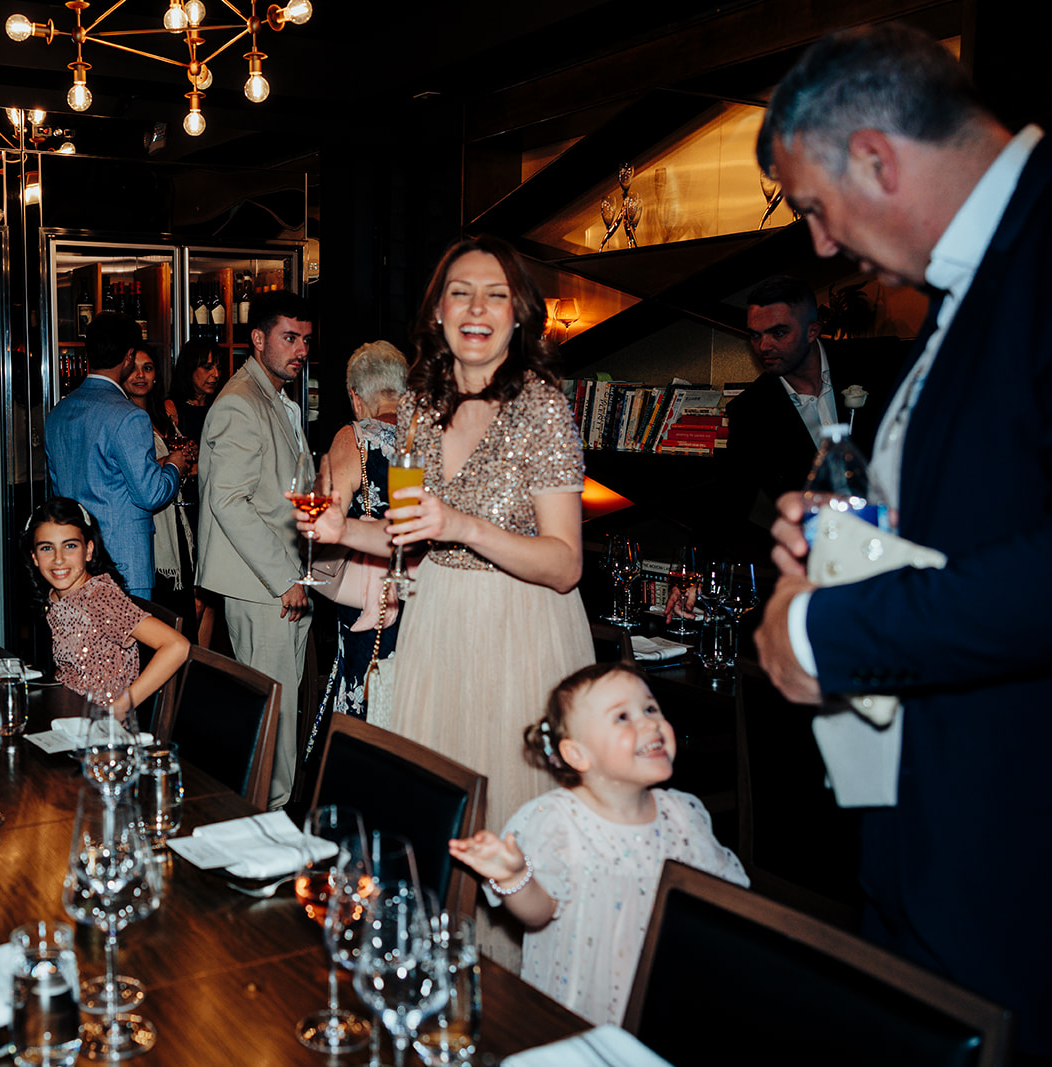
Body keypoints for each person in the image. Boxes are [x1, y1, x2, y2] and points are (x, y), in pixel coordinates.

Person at [751, 24, 1052, 1057]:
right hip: (933, 829)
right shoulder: (955, 291)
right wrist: (836, 529)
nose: (822, 245)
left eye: (815, 208)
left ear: (876, 156)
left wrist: (834, 632)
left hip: (1020, 846)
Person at [296, 234, 594, 972]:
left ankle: (519, 995)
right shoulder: (423, 412)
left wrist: (461, 524)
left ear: (520, 315)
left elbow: (564, 563)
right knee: (437, 815)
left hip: (521, 630)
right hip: (436, 626)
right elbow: (409, 531)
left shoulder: (542, 409)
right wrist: (341, 530)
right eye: (460, 291)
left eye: (495, 294)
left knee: (509, 817)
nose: (477, 308)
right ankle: (440, 979)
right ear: (436, 312)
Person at [449, 662, 747, 1026]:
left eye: (651, 708)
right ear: (577, 754)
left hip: (663, 987)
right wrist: (514, 877)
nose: (650, 723)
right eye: (623, 717)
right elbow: (540, 912)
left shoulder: (682, 815)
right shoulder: (558, 822)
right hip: (581, 1002)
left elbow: (722, 897)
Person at [197, 291, 316, 810]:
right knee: (272, 710)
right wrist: (283, 578)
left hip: (286, 577)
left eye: (306, 340)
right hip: (262, 583)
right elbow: (228, 502)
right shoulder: (239, 402)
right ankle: (269, 818)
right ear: (259, 339)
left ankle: (273, 815)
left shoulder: (274, 399)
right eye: (290, 338)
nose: (301, 350)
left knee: (282, 707)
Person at [724, 274, 904, 523]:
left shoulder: (879, 365)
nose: (763, 346)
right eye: (755, 335)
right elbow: (741, 505)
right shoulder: (749, 411)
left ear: (812, 331)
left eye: (778, 333)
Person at [304, 340, 407, 760]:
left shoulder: (352, 437)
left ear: (355, 396)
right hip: (419, 592)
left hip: (369, 598)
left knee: (365, 687)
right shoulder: (429, 441)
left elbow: (329, 517)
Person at [46, 312, 187, 598]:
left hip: (74, 561)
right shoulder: (129, 416)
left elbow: (58, 491)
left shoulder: (59, 412)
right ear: (128, 356)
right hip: (123, 565)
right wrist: (174, 466)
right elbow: (150, 494)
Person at [22, 497, 189, 712]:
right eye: (47, 548)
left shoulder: (99, 597)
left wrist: (119, 710)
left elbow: (177, 646)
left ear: (89, 550)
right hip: (70, 711)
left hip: (100, 728)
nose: (59, 559)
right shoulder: (56, 594)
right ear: (34, 557)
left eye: (70, 546)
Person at [121, 346, 196, 618]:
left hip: (177, 522)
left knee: (183, 614)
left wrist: (187, 459)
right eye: (134, 368)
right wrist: (170, 463)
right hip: (151, 529)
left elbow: (180, 464)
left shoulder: (163, 416)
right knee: (161, 614)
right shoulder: (122, 419)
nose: (140, 375)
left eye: (148, 368)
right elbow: (132, 475)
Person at [166, 339, 223, 646]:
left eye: (217, 366)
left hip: (215, 505)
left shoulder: (223, 406)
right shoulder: (171, 409)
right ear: (189, 369)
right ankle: (181, 665)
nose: (214, 373)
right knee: (193, 598)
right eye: (206, 366)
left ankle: (203, 668)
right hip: (187, 507)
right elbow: (172, 465)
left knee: (212, 595)